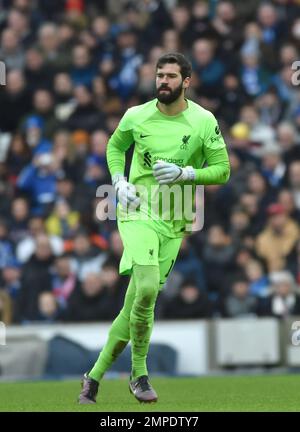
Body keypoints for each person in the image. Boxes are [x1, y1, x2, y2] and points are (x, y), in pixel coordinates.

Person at [78, 52, 230, 404]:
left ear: (186, 82)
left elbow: (222, 169)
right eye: (159, 75)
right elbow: (115, 146)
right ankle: (139, 374)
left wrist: (188, 173)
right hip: (136, 211)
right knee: (146, 289)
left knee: (134, 303)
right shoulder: (136, 115)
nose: (163, 81)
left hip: (175, 219)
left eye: (171, 76)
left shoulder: (204, 121)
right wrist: (118, 181)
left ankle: (94, 377)